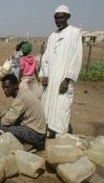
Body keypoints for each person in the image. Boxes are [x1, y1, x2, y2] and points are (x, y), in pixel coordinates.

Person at [39, 5, 82, 137]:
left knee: (62, 108)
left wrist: (67, 79)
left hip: (63, 80)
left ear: (68, 17)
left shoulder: (75, 33)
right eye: (56, 17)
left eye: (61, 17)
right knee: (47, 106)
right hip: (51, 80)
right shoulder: (52, 36)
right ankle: (48, 130)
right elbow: (45, 58)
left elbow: (76, 58)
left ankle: (61, 134)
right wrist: (44, 75)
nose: (58, 20)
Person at [0, 74, 47, 151]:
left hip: (36, 135)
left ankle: (27, 144)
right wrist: (1, 115)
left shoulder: (20, 98)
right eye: (3, 88)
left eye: (7, 87)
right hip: (37, 133)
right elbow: (12, 112)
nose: (4, 90)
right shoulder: (22, 94)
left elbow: (5, 122)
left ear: (15, 86)